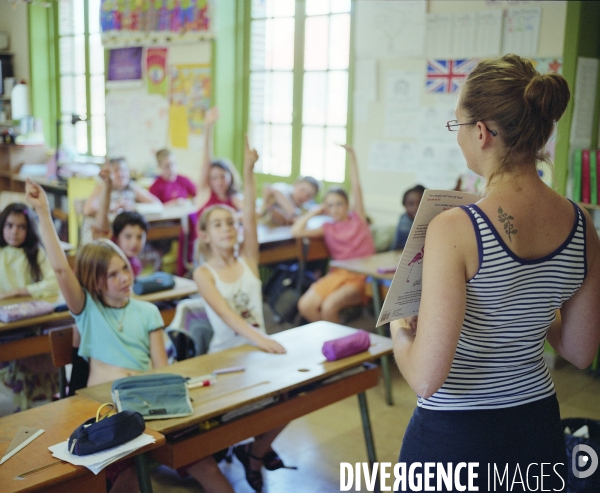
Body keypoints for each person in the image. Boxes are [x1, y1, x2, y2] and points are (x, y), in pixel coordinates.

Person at [390, 54, 600, 491]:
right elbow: (579, 351)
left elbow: (427, 377)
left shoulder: (455, 227)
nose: (459, 137)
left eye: (458, 125)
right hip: (536, 426)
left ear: (481, 132)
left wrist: (398, 326)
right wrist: (524, 302)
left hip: (456, 438)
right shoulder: (583, 224)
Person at [25, 178, 169, 493]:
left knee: (139, 465)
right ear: (94, 281)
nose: (123, 279)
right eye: (111, 275)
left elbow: (161, 369)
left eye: (125, 270)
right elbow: (62, 270)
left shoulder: (147, 312)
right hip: (103, 409)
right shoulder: (88, 309)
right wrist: (43, 212)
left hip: (142, 407)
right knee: (124, 471)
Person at [192, 136, 288, 492]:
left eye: (230, 224)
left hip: (257, 352)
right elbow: (230, 316)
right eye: (218, 225)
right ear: (204, 236)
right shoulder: (204, 273)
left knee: (299, 396)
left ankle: (256, 453)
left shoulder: (248, 259)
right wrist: (263, 339)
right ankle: (247, 450)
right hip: (227, 358)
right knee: (256, 410)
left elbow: (248, 212)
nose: (229, 228)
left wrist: (249, 172)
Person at [291, 144, 375, 324]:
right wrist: (314, 211)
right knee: (305, 305)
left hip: (361, 275)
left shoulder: (358, 219)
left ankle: (341, 348)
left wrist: (352, 155)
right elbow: (296, 231)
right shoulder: (327, 227)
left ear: (347, 205)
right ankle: (332, 340)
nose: (335, 209)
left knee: (329, 307)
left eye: (339, 204)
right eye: (330, 205)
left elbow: (356, 186)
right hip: (338, 274)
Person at [0, 202, 60, 414]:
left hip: (32, 320)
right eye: (9, 225)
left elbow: (53, 283)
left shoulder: (35, 253)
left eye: (21, 227)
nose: (14, 232)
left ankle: (42, 400)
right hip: (5, 324)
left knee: (43, 346)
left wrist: (21, 291)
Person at [177, 107, 243, 275]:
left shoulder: (233, 198)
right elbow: (206, 160)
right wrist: (208, 128)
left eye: (223, 176)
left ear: (231, 177)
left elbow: (252, 211)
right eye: (214, 177)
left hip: (226, 248)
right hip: (206, 250)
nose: (219, 181)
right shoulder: (206, 194)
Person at [93, 164, 149, 277]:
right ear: (116, 237)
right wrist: (108, 185)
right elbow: (102, 217)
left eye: (140, 237)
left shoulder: (134, 266)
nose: (134, 243)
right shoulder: (106, 250)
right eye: (128, 237)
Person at [391, 185, 424, 250]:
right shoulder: (404, 222)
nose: (416, 208)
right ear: (404, 205)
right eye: (411, 204)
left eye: (420, 203)